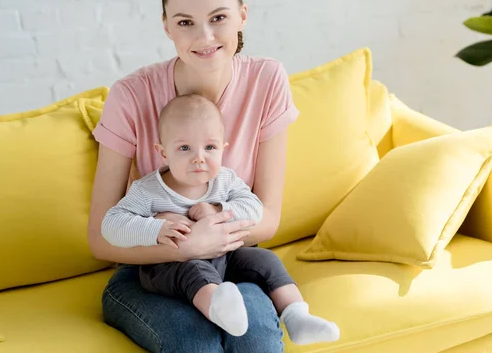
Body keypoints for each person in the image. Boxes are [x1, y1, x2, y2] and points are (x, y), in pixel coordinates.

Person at [87, 0, 310, 351]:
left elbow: (268, 219)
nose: (204, 37)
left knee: (256, 339)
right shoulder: (131, 95)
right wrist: (185, 246)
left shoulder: (267, 80)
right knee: (196, 344)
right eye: (185, 22)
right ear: (167, 27)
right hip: (149, 271)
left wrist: (210, 237)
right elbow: (100, 239)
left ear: (243, 16)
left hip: (232, 263)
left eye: (219, 18)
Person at [100, 94, 340, 345]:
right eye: (184, 148)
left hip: (224, 255)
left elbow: (254, 208)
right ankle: (217, 308)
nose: (199, 157)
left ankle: (297, 316)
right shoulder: (148, 190)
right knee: (193, 268)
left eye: (210, 148)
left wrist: (218, 209)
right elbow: (111, 224)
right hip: (170, 265)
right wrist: (156, 229)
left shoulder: (225, 180)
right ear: (163, 153)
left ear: (223, 149)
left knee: (264, 259)